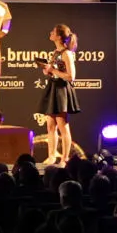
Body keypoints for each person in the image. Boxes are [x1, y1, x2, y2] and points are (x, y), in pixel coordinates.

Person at [38, 22, 82, 166]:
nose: (50, 33)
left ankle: (65, 158)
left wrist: (53, 71)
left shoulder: (67, 53)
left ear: (58, 36)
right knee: (50, 125)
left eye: (53, 32)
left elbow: (71, 76)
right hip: (53, 87)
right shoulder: (55, 52)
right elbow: (54, 71)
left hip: (62, 90)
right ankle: (51, 156)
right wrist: (47, 70)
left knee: (63, 125)